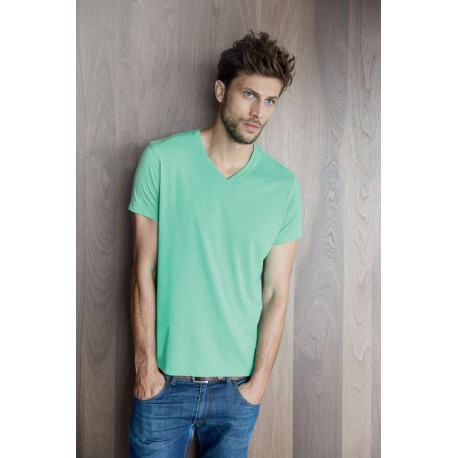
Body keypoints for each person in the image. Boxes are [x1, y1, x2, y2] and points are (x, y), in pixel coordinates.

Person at [127, 29, 302, 458]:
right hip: (163, 385)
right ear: (221, 90)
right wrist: (145, 366)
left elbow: (276, 293)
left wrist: (258, 384)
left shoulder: (282, 186)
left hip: (236, 393)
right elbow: (143, 271)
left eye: (270, 100)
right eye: (249, 94)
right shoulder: (162, 160)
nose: (258, 112)